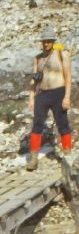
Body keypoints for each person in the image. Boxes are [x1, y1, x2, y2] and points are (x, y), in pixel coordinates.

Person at [27, 26, 72, 171]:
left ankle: (67, 153)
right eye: (44, 41)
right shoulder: (38, 58)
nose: (46, 44)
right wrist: (31, 98)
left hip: (58, 92)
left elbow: (68, 77)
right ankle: (33, 159)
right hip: (42, 94)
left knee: (62, 123)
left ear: (53, 41)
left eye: (49, 41)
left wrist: (67, 96)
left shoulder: (61, 54)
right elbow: (34, 80)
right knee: (37, 124)